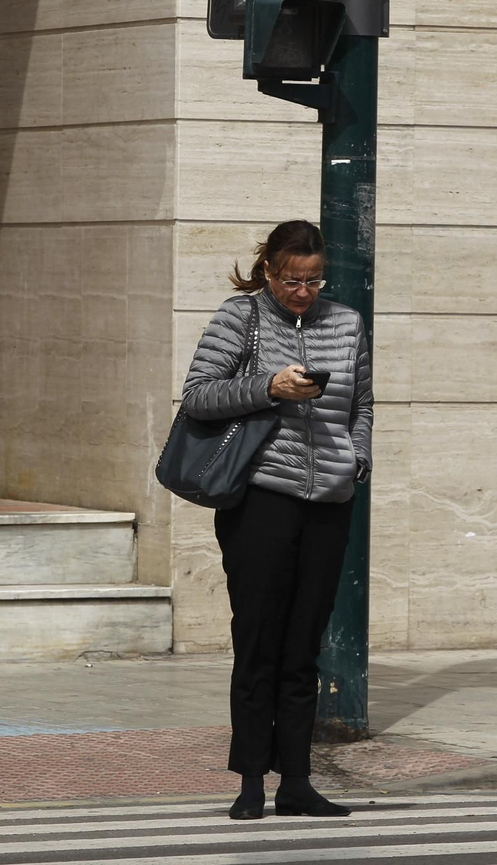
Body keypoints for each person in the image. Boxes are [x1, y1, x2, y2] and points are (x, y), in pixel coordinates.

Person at [181, 219, 373, 820]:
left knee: (302, 646)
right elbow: (197, 396)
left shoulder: (346, 323)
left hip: (328, 504)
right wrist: (269, 386)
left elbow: (362, 403)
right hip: (261, 499)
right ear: (269, 270)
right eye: (294, 280)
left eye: (315, 280)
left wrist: (357, 461)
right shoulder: (242, 319)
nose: (305, 292)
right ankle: (248, 785)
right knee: (259, 640)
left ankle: (296, 781)